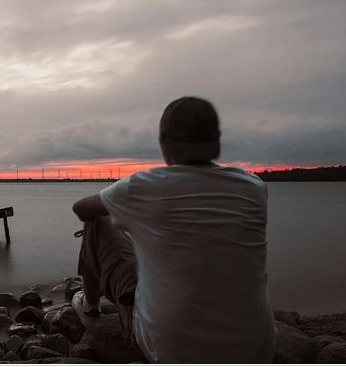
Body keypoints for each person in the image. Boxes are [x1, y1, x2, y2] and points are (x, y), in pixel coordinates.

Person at [71, 96, 275, 363]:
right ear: (216, 141)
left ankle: (91, 307)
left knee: (96, 221)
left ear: (165, 143)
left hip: (171, 350)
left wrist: (136, 219)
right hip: (255, 351)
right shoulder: (254, 188)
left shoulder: (145, 186)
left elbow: (81, 209)